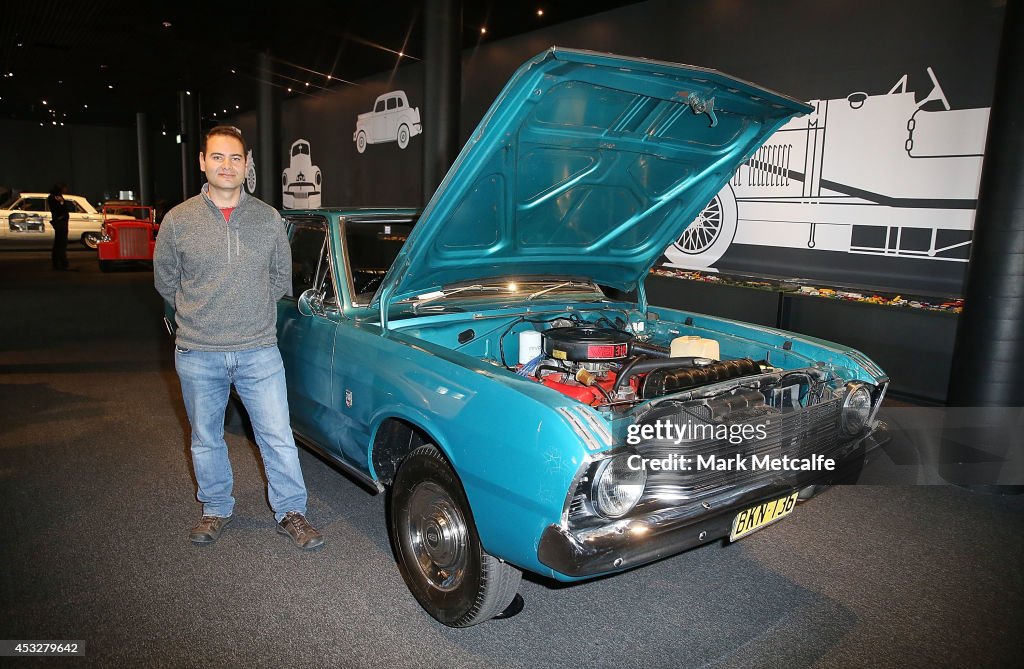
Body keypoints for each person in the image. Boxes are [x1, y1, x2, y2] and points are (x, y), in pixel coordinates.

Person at [153, 125, 324, 550]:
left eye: (235, 158)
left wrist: (246, 312)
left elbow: (280, 280)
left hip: (258, 350)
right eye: (217, 157)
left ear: (247, 164)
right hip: (198, 351)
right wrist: (202, 313)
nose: (226, 165)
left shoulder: (268, 218)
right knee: (205, 437)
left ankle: (291, 511)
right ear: (202, 162)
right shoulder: (178, 220)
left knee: (277, 435)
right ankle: (215, 508)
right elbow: (165, 281)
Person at [47, 183, 70, 270]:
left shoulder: (55, 197)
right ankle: (61, 263)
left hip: (61, 222)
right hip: (60, 222)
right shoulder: (54, 198)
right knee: (61, 243)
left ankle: (58, 262)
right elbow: (60, 210)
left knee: (59, 243)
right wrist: (61, 202)